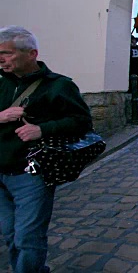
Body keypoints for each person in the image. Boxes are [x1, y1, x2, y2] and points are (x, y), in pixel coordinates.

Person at [0, 26, 93, 273]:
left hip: (30, 175)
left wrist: (43, 129)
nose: (1, 59)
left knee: (27, 239)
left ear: (31, 54)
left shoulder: (59, 86)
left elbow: (82, 122)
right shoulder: (1, 83)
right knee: (10, 236)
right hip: (0, 173)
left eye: (7, 53)